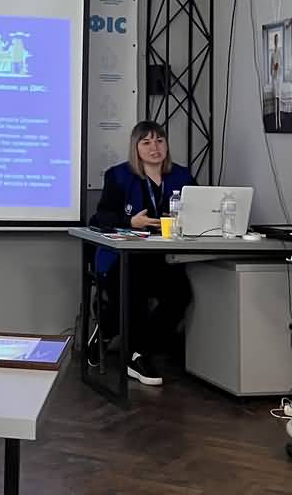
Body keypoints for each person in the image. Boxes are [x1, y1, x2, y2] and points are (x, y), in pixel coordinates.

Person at [89, 120, 196, 387]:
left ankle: (138, 349)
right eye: (146, 142)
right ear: (135, 148)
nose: (154, 147)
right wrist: (129, 222)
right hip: (123, 258)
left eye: (159, 141)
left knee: (180, 295)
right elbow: (100, 217)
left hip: (163, 258)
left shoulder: (182, 177)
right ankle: (126, 347)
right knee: (132, 294)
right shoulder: (119, 176)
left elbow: (199, 211)